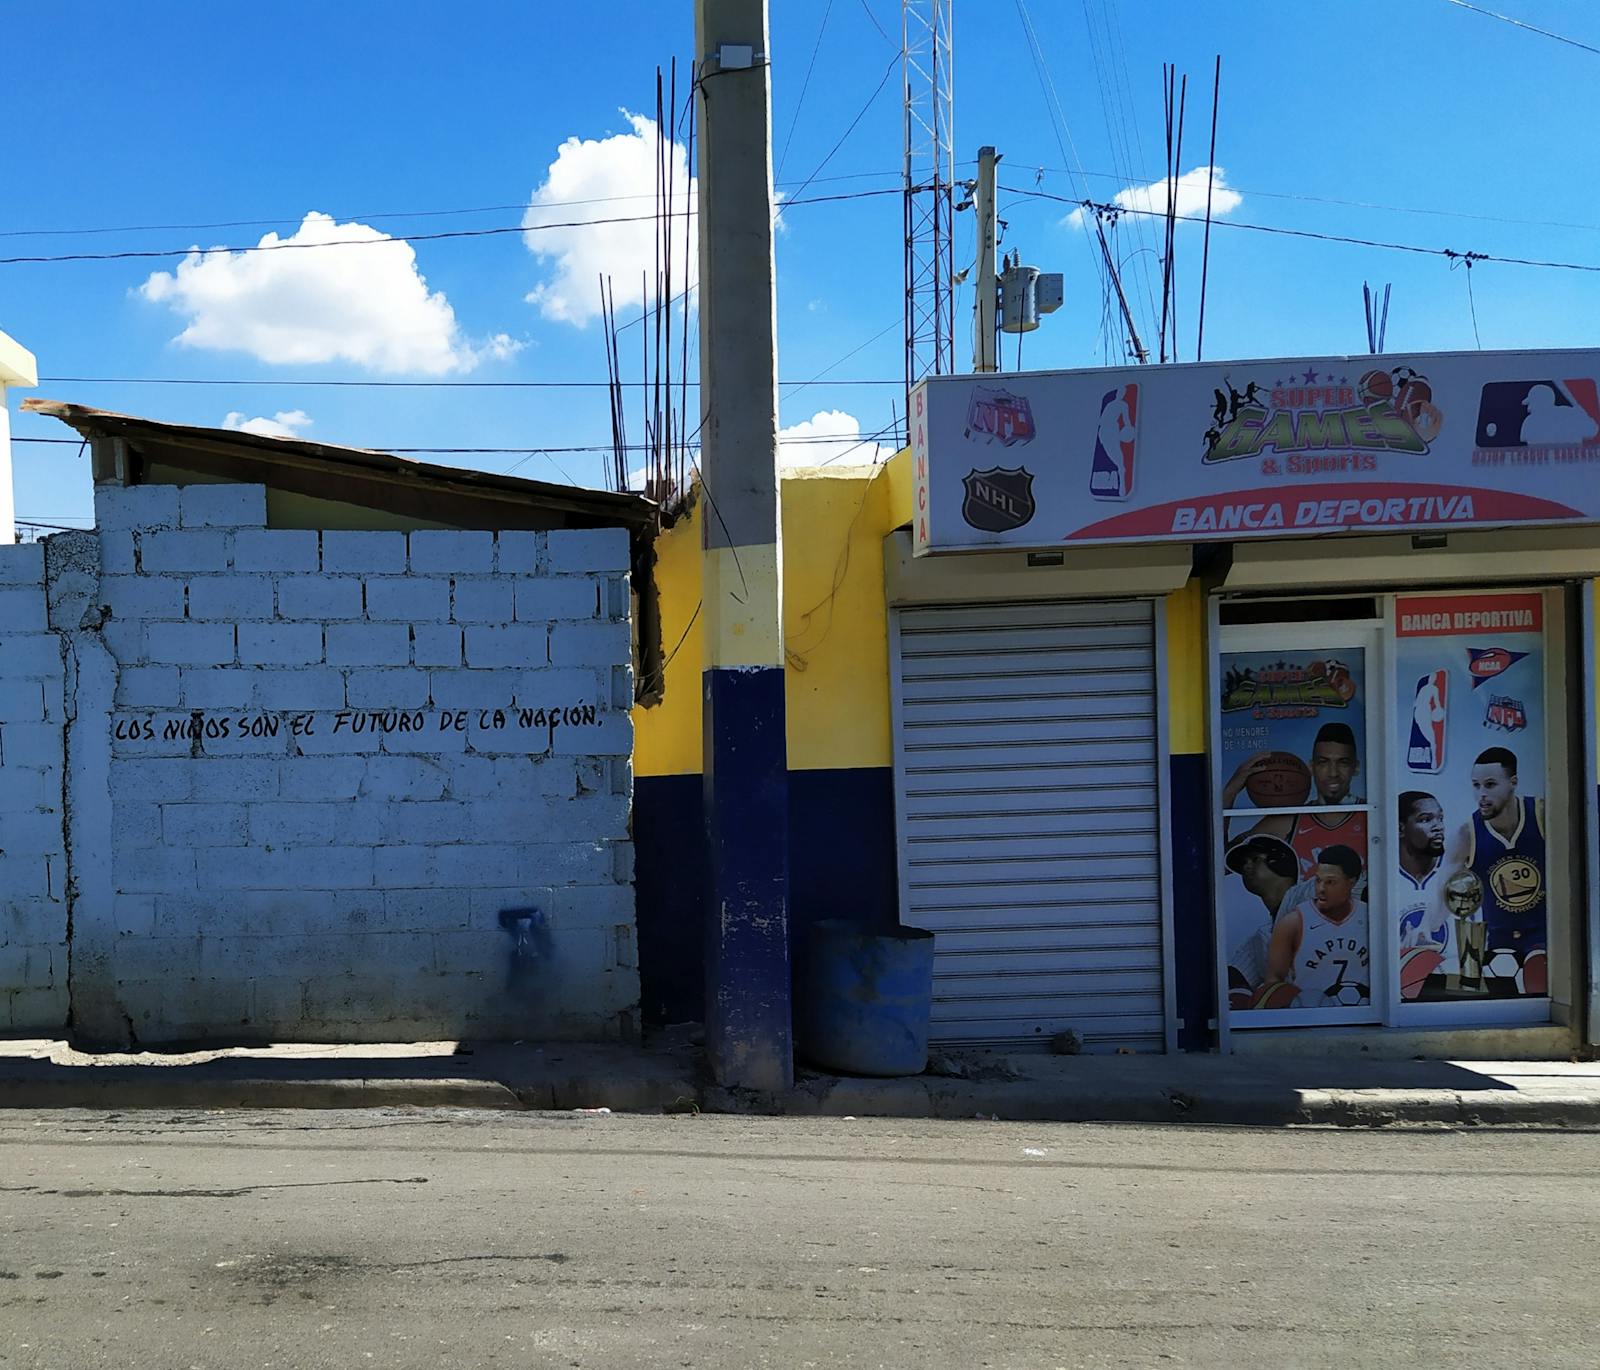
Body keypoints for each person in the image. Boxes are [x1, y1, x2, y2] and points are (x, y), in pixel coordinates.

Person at [1439, 746, 1546, 996]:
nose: (1481, 795)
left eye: (1490, 785)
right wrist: (1426, 927)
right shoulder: (1467, 834)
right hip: (1498, 945)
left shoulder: (1542, 815)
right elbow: (1444, 893)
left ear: (1513, 782)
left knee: (1540, 971)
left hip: (1546, 939)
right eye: (1476, 785)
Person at [1267, 844, 1370, 1009]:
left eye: (1330, 882)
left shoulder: (1370, 917)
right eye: (1318, 880)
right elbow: (1273, 983)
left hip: (1362, 1016)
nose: (1320, 889)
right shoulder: (1292, 922)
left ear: (1352, 883)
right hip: (1307, 1016)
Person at [1223, 834, 1315, 1000]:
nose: (1246, 866)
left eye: (1254, 859)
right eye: (1244, 863)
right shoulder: (1262, 936)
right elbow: (1234, 973)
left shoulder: (1309, 892)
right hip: (1302, 1017)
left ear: (1279, 862)